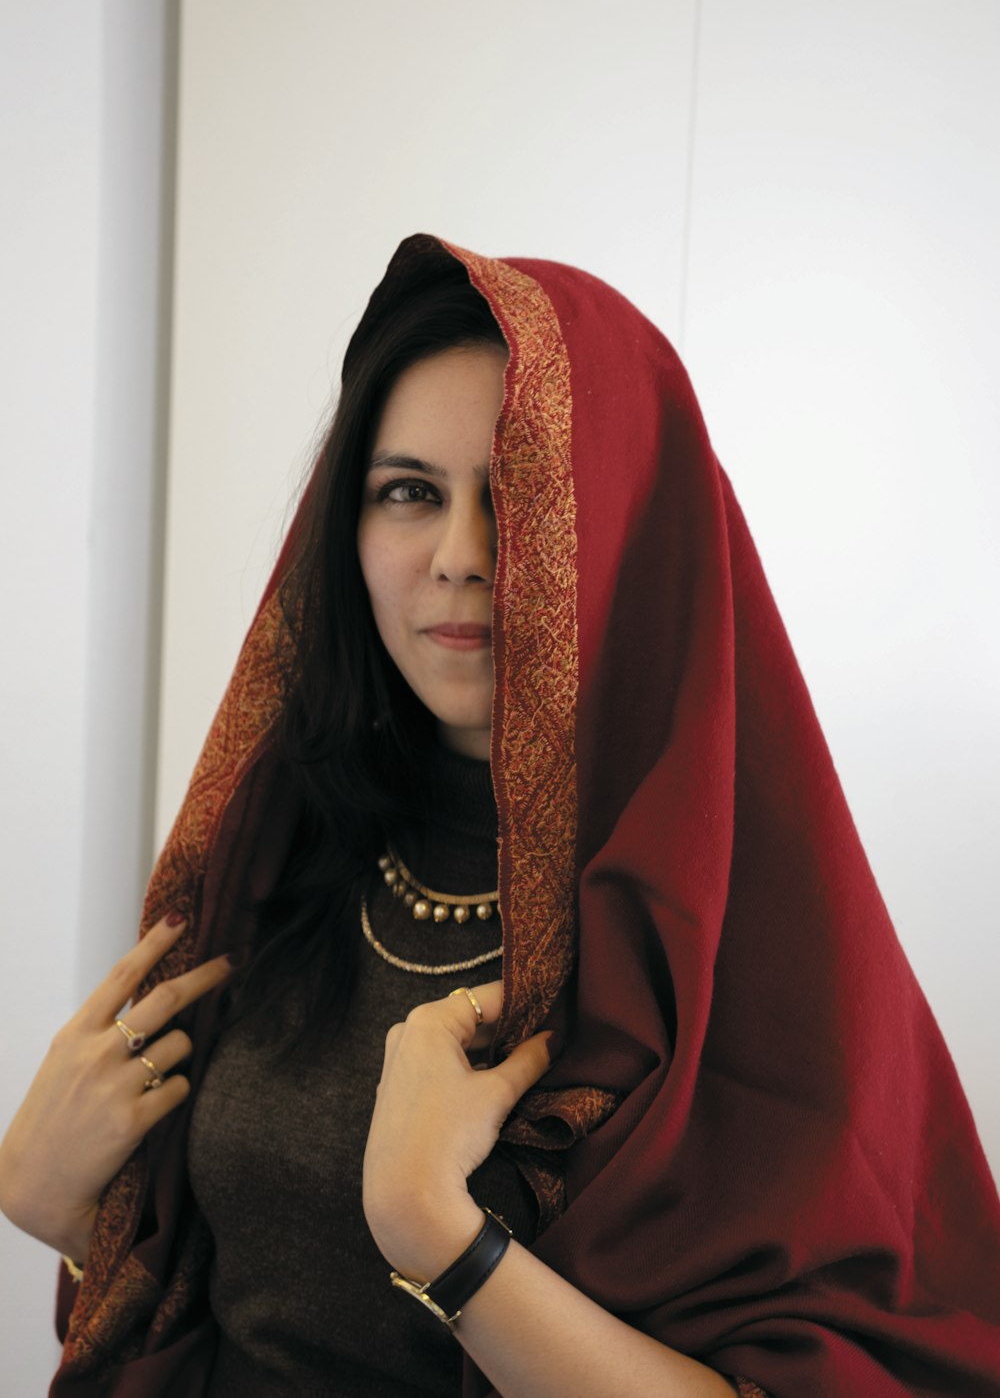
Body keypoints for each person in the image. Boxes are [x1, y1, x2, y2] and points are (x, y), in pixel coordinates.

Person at [1, 234, 998, 1397]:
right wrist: (52, 1206)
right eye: (408, 493)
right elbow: (202, 1295)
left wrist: (443, 1237)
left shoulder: (746, 932)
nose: (463, 558)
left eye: (522, 495)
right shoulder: (282, 860)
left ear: (636, 529)